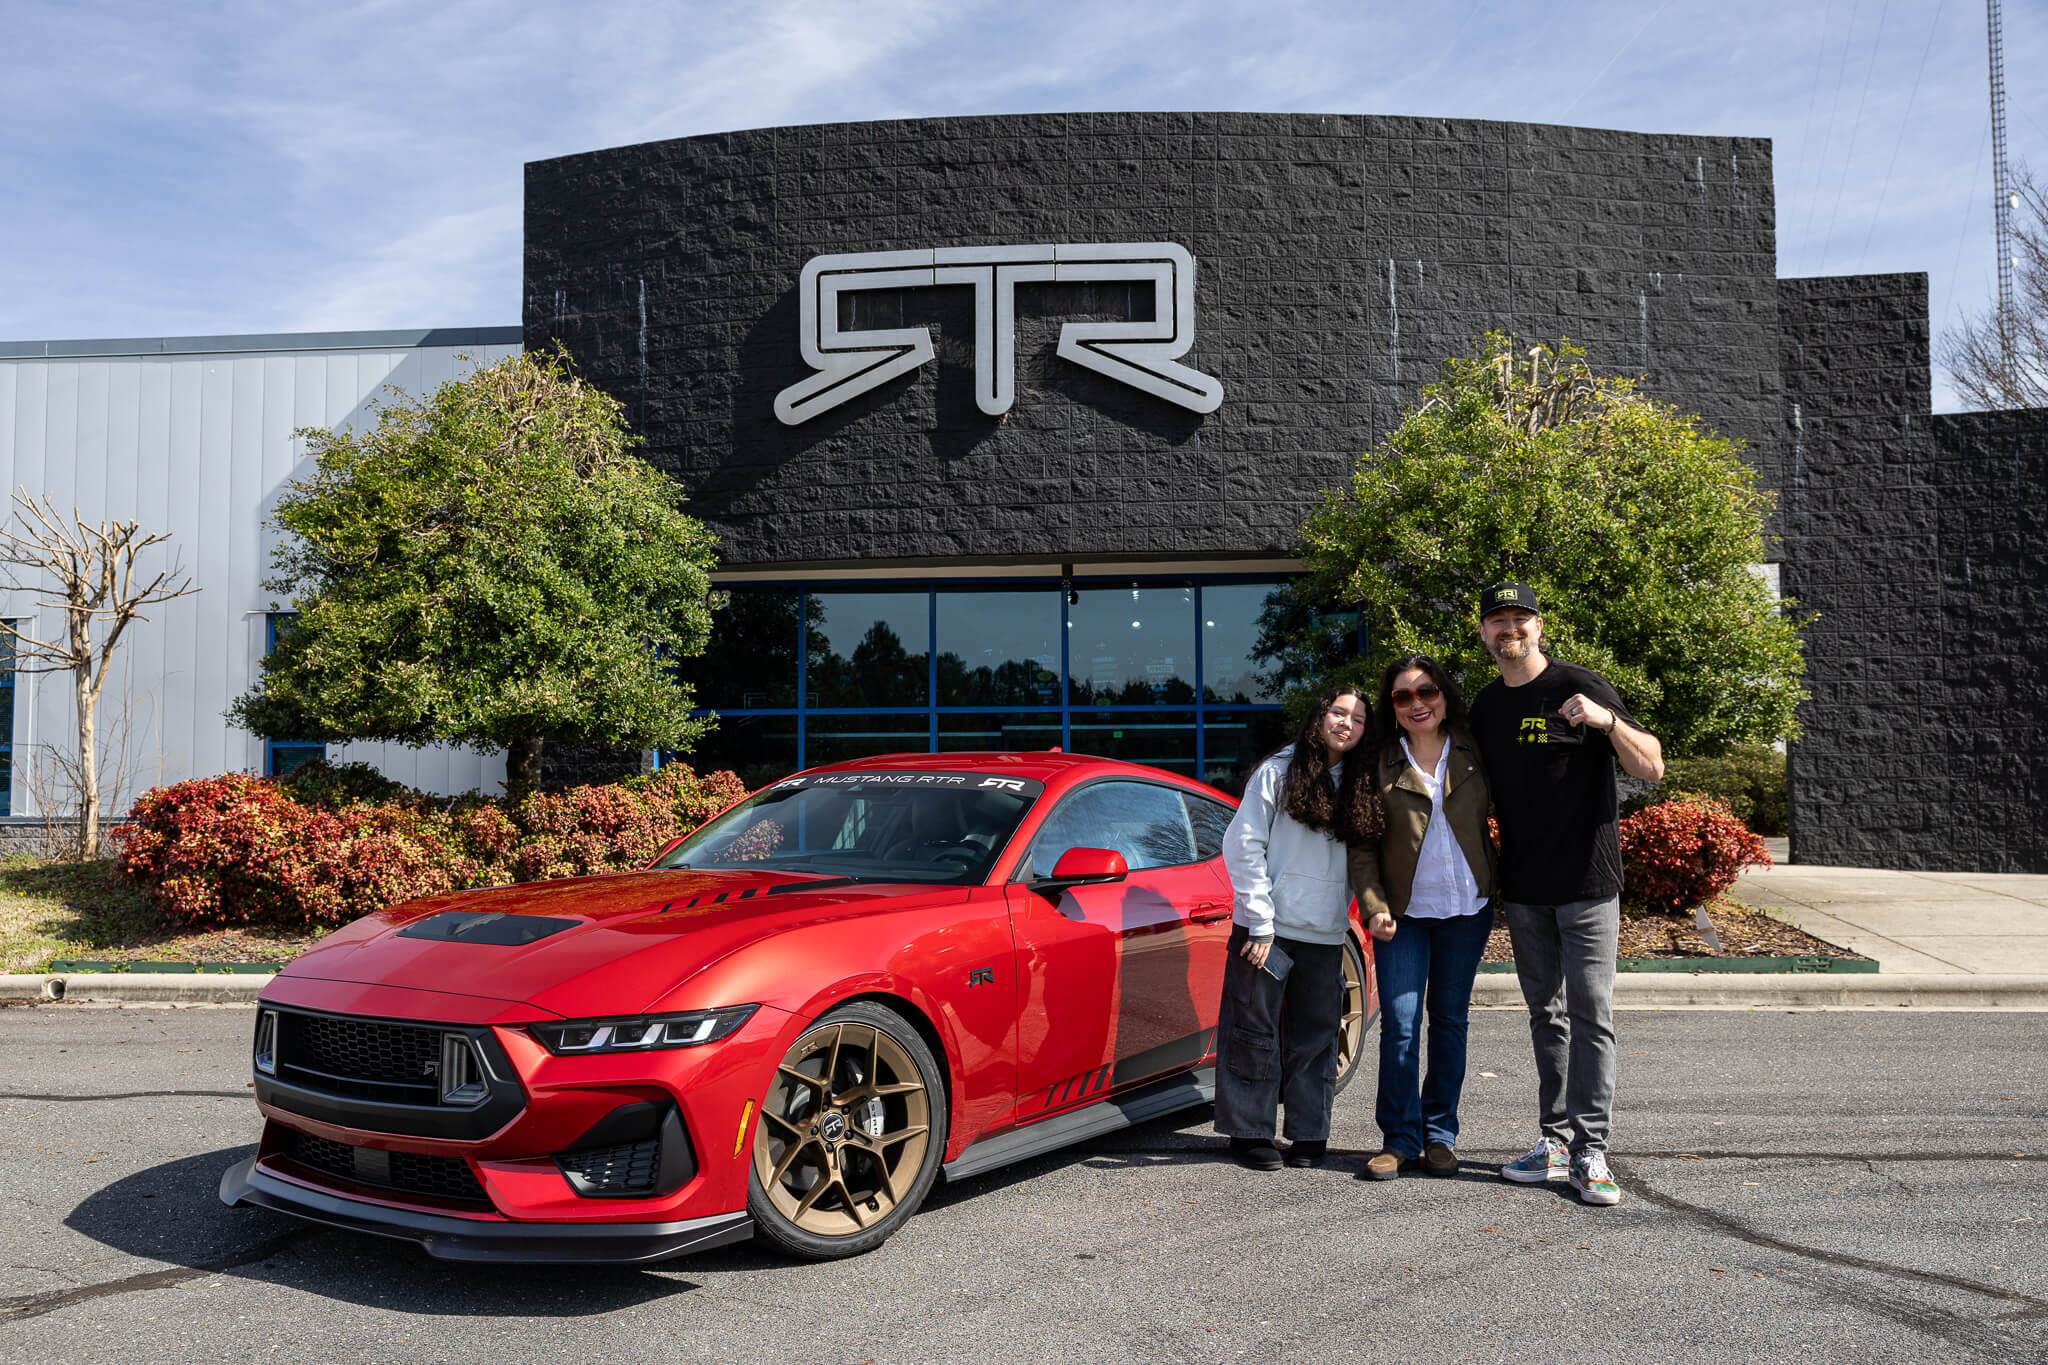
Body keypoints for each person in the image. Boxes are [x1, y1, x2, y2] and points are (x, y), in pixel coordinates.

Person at [1468, 583, 1664, 1206]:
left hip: (1587, 883)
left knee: (1591, 1013)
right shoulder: (1486, 706)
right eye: (1498, 621)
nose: (1510, 629)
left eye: (1519, 618)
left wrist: (1608, 723)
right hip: (1524, 888)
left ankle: (1591, 1149)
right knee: (1544, 1015)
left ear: (1539, 627)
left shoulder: (1581, 686)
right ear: (1484, 633)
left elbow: (1652, 766)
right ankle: (1553, 1143)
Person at [1215, 683, 1382, 1171]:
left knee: (1317, 1035)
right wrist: (1260, 924)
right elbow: (1242, 847)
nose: (1345, 723)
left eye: (1357, 717)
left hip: (1326, 932)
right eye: (1337, 711)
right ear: (1319, 716)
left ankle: (1309, 1133)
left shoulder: (1362, 781)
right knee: (1254, 1030)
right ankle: (1249, 1133)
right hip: (1267, 931)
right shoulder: (1277, 772)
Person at [1348, 656, 1496, 1182]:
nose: (1417, 704)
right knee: (1402, 1029)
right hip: (1402, 917)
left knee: (1451, 1024)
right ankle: (1399, 1139)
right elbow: (1362, 846)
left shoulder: (1475, 749)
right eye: (1402, 697)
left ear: (1443, 695)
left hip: (1467, 911)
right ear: (1391, 707)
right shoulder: (1377, 763)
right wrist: (1374, 907)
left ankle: (1439, 1136)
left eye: (1426, 691)